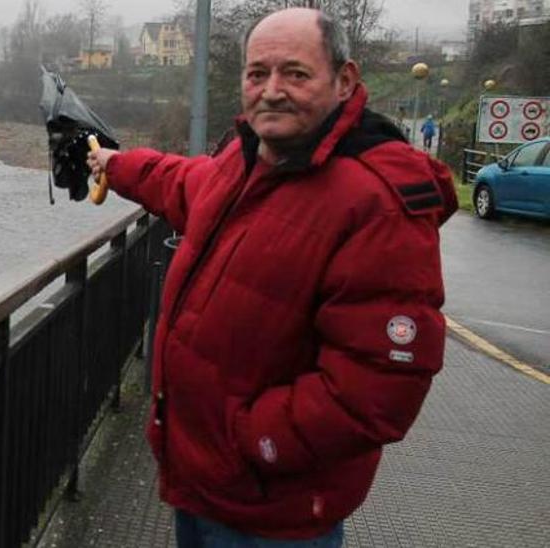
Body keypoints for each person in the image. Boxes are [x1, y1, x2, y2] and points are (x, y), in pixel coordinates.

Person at [87, 8, 457, 547]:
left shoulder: (377, 203)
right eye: (257, 74)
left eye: (296, 74)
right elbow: (182, 182)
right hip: (203, 486)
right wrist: (115, 165)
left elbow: (377, 388)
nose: (272, 90)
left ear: (344, 80)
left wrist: (252, 442)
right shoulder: (249, 161)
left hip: (270, 512)